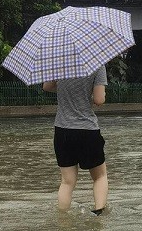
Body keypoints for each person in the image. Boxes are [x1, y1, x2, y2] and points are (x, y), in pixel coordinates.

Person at [43, 66, 108, 215]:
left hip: (62, 130)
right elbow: (99, 100)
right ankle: (99, 216)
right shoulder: (97, 65)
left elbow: (46, 86)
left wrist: (65, 90)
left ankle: (63, 221)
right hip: (87, 130)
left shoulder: (59, 61)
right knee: (100, 176)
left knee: (67, 182)